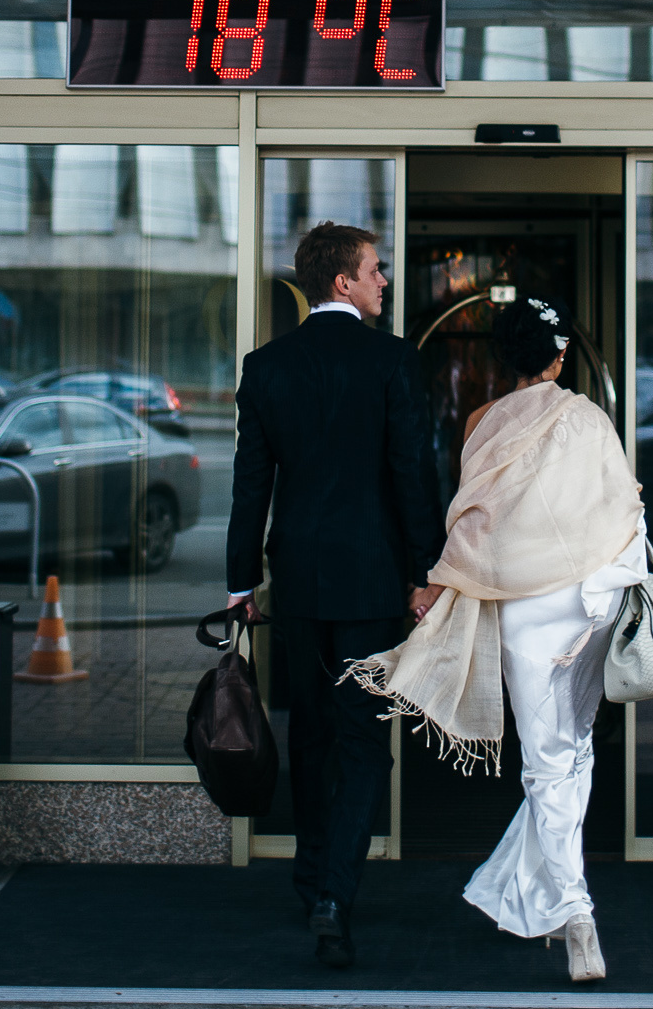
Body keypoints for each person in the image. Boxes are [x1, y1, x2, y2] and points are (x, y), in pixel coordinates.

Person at [344, 298, 645, 984]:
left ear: (501, 357)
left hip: (521, 608)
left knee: (546, 759)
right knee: (572, 750)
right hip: (584, 607)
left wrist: (443, 582)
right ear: (560, 355)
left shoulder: (481, 423)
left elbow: (473, 525)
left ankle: (572, 910)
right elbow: (623, 510)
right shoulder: (590, 419)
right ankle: (553, 901)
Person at [226, 222, 445, 971]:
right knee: (360, 743)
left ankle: (311, 873)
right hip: (370, 581)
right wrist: (426, 571)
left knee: (311, 733)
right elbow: (410, 473)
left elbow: (252, 482)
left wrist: (238, 582)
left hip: (298, 580)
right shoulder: (392, 361)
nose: (385, 281)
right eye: (376, 270)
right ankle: (333, 897)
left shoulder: (267, 365)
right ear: (343, 281)